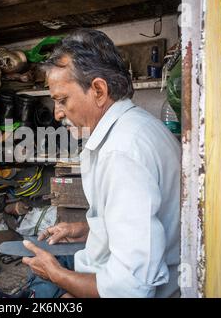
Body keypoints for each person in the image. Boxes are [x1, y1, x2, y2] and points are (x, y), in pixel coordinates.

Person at [21, 28, 181, 298]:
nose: (58, 113)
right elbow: (143, 225)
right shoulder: (137, 127)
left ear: (98, 90)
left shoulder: (121, 153)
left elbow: (130, 288)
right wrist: (88, 230)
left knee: (40, 287)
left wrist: (57, 275)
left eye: (62, 100)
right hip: (125, 273)